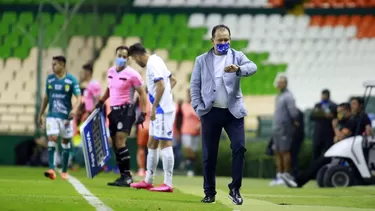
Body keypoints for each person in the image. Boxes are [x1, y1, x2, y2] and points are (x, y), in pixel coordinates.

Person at [190, 25, 257, 205]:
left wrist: (238, 69)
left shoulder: (237, 56)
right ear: (212, 41)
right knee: (209, 154)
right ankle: (209, 192)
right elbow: (194, 86)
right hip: (210, 112)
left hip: (233, 112)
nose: (223, 43)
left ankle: (234, 189)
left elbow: (253, 67)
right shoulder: (202, 60)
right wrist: (198, 108)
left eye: (226, 39)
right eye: (219, 40)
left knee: (239, 147)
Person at [282, 99, 373, 188]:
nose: (352, 106)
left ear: (360, 105)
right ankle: (297, 179)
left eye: (354, 104)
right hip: (350, 148)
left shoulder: (357, 119)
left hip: (349, 148)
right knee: (320, 162)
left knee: (320, 162)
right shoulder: (361, 117)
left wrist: (335, 127)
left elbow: (340, 136)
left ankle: (298, 180)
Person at [95, 45, 148, 187]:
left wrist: (143, 113)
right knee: (115, 144)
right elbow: (109, 89)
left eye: (125, 57)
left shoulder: (133, 74)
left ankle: (127, 176)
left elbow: (142, 94)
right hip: (113, 110)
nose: (121, 59)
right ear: (115, 55)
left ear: (128, 59)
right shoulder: (111, 72)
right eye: (120, 55)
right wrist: (101, 101)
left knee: (120, 141)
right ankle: (123, 175)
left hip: (127, 110)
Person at [128, 43, 178, 192]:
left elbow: (162, 85)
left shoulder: (152, 64)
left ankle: (168, 183)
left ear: (137, 56)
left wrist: (156, 106)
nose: (136, 63)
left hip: (162, 110)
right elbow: (172, 80)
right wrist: (165, 98)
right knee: (151, 143)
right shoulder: (157, 60)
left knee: (165, 143)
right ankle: (148, 180)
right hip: (161, 109)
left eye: (135, 60)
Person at [37, 55, 82, 180]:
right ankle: (51, 169)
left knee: (65, 143)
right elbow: (46, 97)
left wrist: (74, 109)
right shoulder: (50, 79)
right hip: (52, 115)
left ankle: (64, 171)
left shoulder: (71, 80)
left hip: (66, 117)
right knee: (52, 138)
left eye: (55, 64)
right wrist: (41, 113)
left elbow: (79, 97)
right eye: (52, 64)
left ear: (62, 65)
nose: (53, 66)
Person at [269, 75, 299, 186]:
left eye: (280, 82)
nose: (277, 84)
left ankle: (286, 174)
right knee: (277, 152)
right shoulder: (279, 96)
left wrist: (294, 121)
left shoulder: (288, 96)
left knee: (285, 151)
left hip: (285, 128)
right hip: (276, 128)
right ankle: (279, 175)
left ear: (284, 83)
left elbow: (293, 112)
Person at [310, 89, 337, 161]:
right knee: (316, 154)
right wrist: (323, 115)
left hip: (328, 134)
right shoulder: (318, 105)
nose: (322, 97)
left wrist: (331, 116)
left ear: (328, 96)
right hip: (318, 133)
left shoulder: (334, 106)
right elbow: (312, 117)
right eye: (322, 95)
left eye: (324, 95)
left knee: (328, 154)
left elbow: (337, 118)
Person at [181, 88, 201, 177]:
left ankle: (190, 166)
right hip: (186, 131)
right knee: (188, 148)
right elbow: (187, 114)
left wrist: (200, 124)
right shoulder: (185, 105)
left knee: (194, 151)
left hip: (196, 132)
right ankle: (189, 166)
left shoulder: (199, 105)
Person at [135, 89, 152, 177]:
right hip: (153, 125)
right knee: (152, 149)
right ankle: (150, 170)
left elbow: (137, 110)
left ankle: (141, 169)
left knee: (141, 148)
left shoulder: (141, 97)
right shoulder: (156, 96)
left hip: (142, 126)